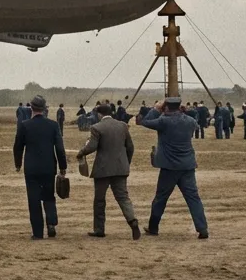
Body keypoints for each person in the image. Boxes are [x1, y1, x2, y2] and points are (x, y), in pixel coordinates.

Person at [138, 98, 208, 238]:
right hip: (187, 166)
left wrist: (156, 109)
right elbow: (195, 121)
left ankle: (153, 227)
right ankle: (202, 228)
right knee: (193, 198)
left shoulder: (164, 122)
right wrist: (183, 111)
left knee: (160, 198)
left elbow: (144, 122)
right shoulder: (189, 121)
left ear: (166, 107)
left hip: (169, 167)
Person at [77, 104, 139, 240]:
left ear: (99, 114)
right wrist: (126, 163)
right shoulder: (123, 126)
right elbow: (130, 147)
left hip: (102, 170)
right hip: (120, 168)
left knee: (99, 200)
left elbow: (92, 147)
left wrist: (81, 153)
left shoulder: (97, 127)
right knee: (123, 197)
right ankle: (132, 221)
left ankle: (99, 229)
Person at [13, 95, 66, 240]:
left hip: (31, 168)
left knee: (33, 199)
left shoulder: (24, 125)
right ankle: (51, 224)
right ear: (44, 109)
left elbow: (17, 147)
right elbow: (60, 149)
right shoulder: (53, 125)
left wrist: (18, 164)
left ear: (31, 107)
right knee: (49, 196)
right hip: (49, 167)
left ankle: (37, 232)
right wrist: (63, 166)